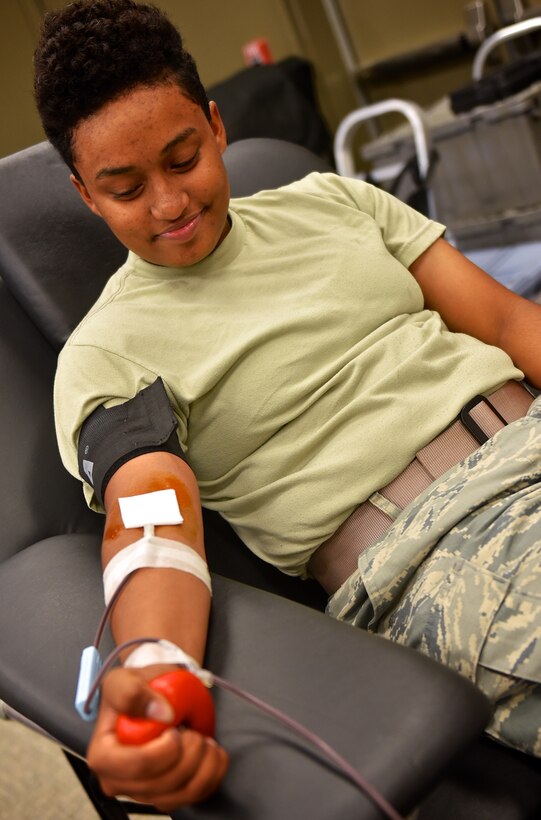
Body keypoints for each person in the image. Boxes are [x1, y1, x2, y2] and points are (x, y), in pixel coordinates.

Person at [33, 0, 541, 811]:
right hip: (438, 549)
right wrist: (159, 669)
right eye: (126, 188)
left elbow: (509, 320)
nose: (168, 204)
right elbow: (153, 516)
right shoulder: (109, 351)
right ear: (86, 196)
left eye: (182, 157)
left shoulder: (336, 204)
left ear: (215, 123)